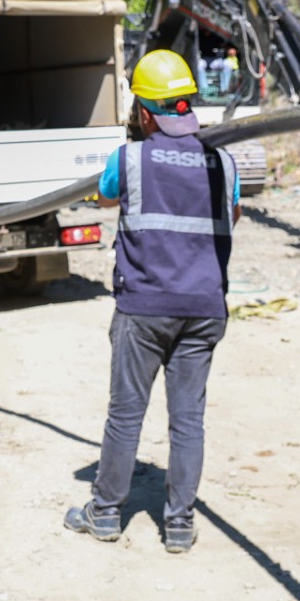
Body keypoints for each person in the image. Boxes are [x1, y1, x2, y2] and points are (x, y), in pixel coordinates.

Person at [65, 50, 240, 554]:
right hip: (204, 309)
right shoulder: (223, 162)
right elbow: (234, 215)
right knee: (188, 420)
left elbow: (104, 196)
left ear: (144, 112)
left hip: (143, 309)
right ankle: (180, 525)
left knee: (126, 415)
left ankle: (103, 514)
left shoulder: (130, 158)